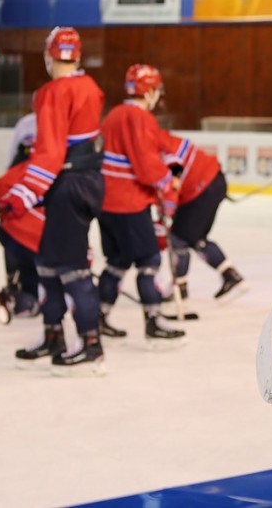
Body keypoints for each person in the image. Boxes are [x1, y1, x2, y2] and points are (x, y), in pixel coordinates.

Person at [0, 26, 106, 375]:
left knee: (72, 270)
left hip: (68, 185)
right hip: (84, 183)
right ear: (77, 55)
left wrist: (24, 193)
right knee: (46, 263)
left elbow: (49, 153)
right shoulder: (89, 86)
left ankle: (91, 346)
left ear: (48, 56)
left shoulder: (52, 92)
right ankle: (53, 335)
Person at [96, 64, 185, 347]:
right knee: (149, 261)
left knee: (117, 261)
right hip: (130, 203)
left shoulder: (113, 114)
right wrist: (169, 181)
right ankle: (153, 322)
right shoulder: (141, 118)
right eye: (156, 89)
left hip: (105, 203)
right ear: (148, 91)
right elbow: (146, 167)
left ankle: (98, 317)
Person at [158, 127, 249, 311]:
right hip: (211, 182)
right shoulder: (164, 138)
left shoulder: (156, 148)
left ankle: (181, 288)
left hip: (202, 188)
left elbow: (172, 180)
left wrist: (166, 213)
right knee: (195, 238)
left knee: (179, 237)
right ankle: (230, 276)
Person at [0, 160, 44, 324]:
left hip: (16, 235)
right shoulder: (73, 176)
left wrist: (9, 201)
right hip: (41, 243)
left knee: (23, 262)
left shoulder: (29, 166)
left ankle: (14, 295)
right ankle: (17, 298)